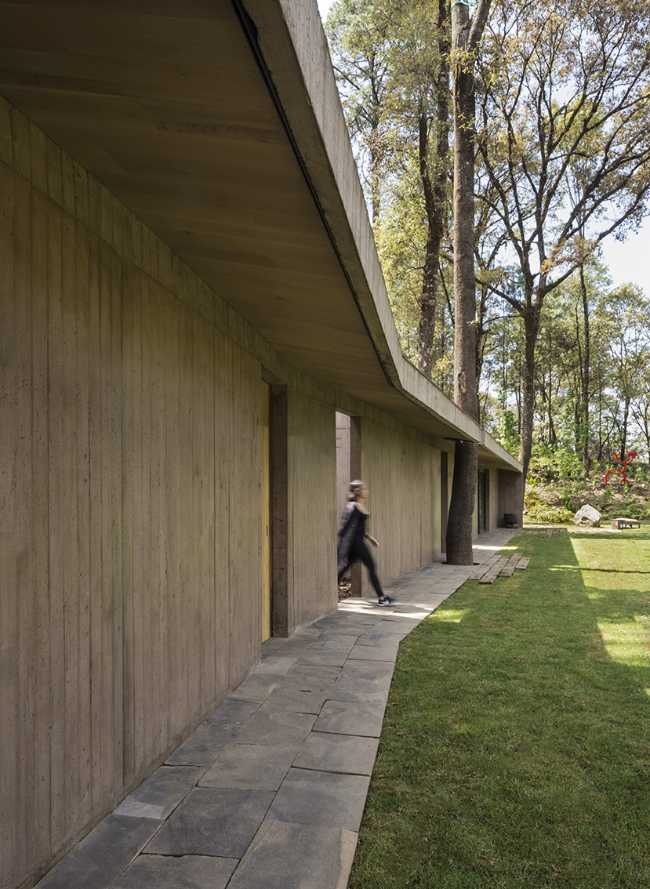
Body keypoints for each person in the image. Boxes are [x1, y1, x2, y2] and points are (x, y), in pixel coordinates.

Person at [337, 480, 394, 606]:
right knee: (371, 566)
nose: (366, 491)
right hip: (356, 544)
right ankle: (382, 598)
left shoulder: (357, 505)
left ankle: (330, 593)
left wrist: (370, 538)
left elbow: (359, 528)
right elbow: (346, 528)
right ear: (358, 491)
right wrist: (342, 547)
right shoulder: (353, 506)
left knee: (343, 569)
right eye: (364, 489)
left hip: (357, 542)